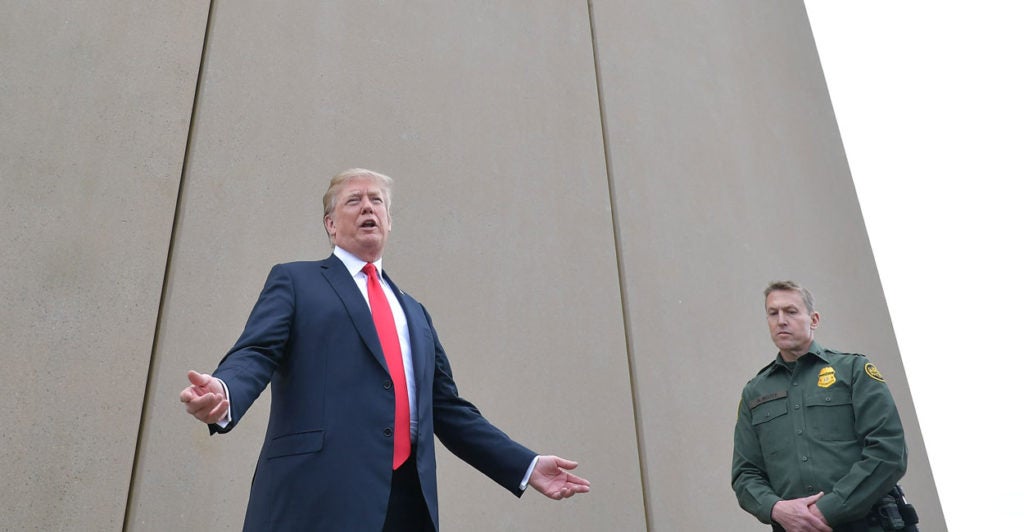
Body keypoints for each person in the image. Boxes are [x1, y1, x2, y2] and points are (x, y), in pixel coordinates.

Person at [180, 168, 590, 531]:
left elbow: (448, 410)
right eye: (354, 200)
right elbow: (256, 352)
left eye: (376, 200)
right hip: (315, 496)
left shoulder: (415, 313)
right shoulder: (296, 282)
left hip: (404, 504)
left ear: (389, 222)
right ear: (330, 224)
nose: (367, 207)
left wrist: (526, 465)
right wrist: (225, 390)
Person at [732, 281, 908, 532]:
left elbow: (888, 451)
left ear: (813, 320)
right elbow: (745, 474)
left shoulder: (853, 370)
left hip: (866, 525)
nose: (781, 320)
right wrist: (776, 508)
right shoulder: (755, 392)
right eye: (773, 313)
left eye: (791, 311)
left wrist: (826, 511)